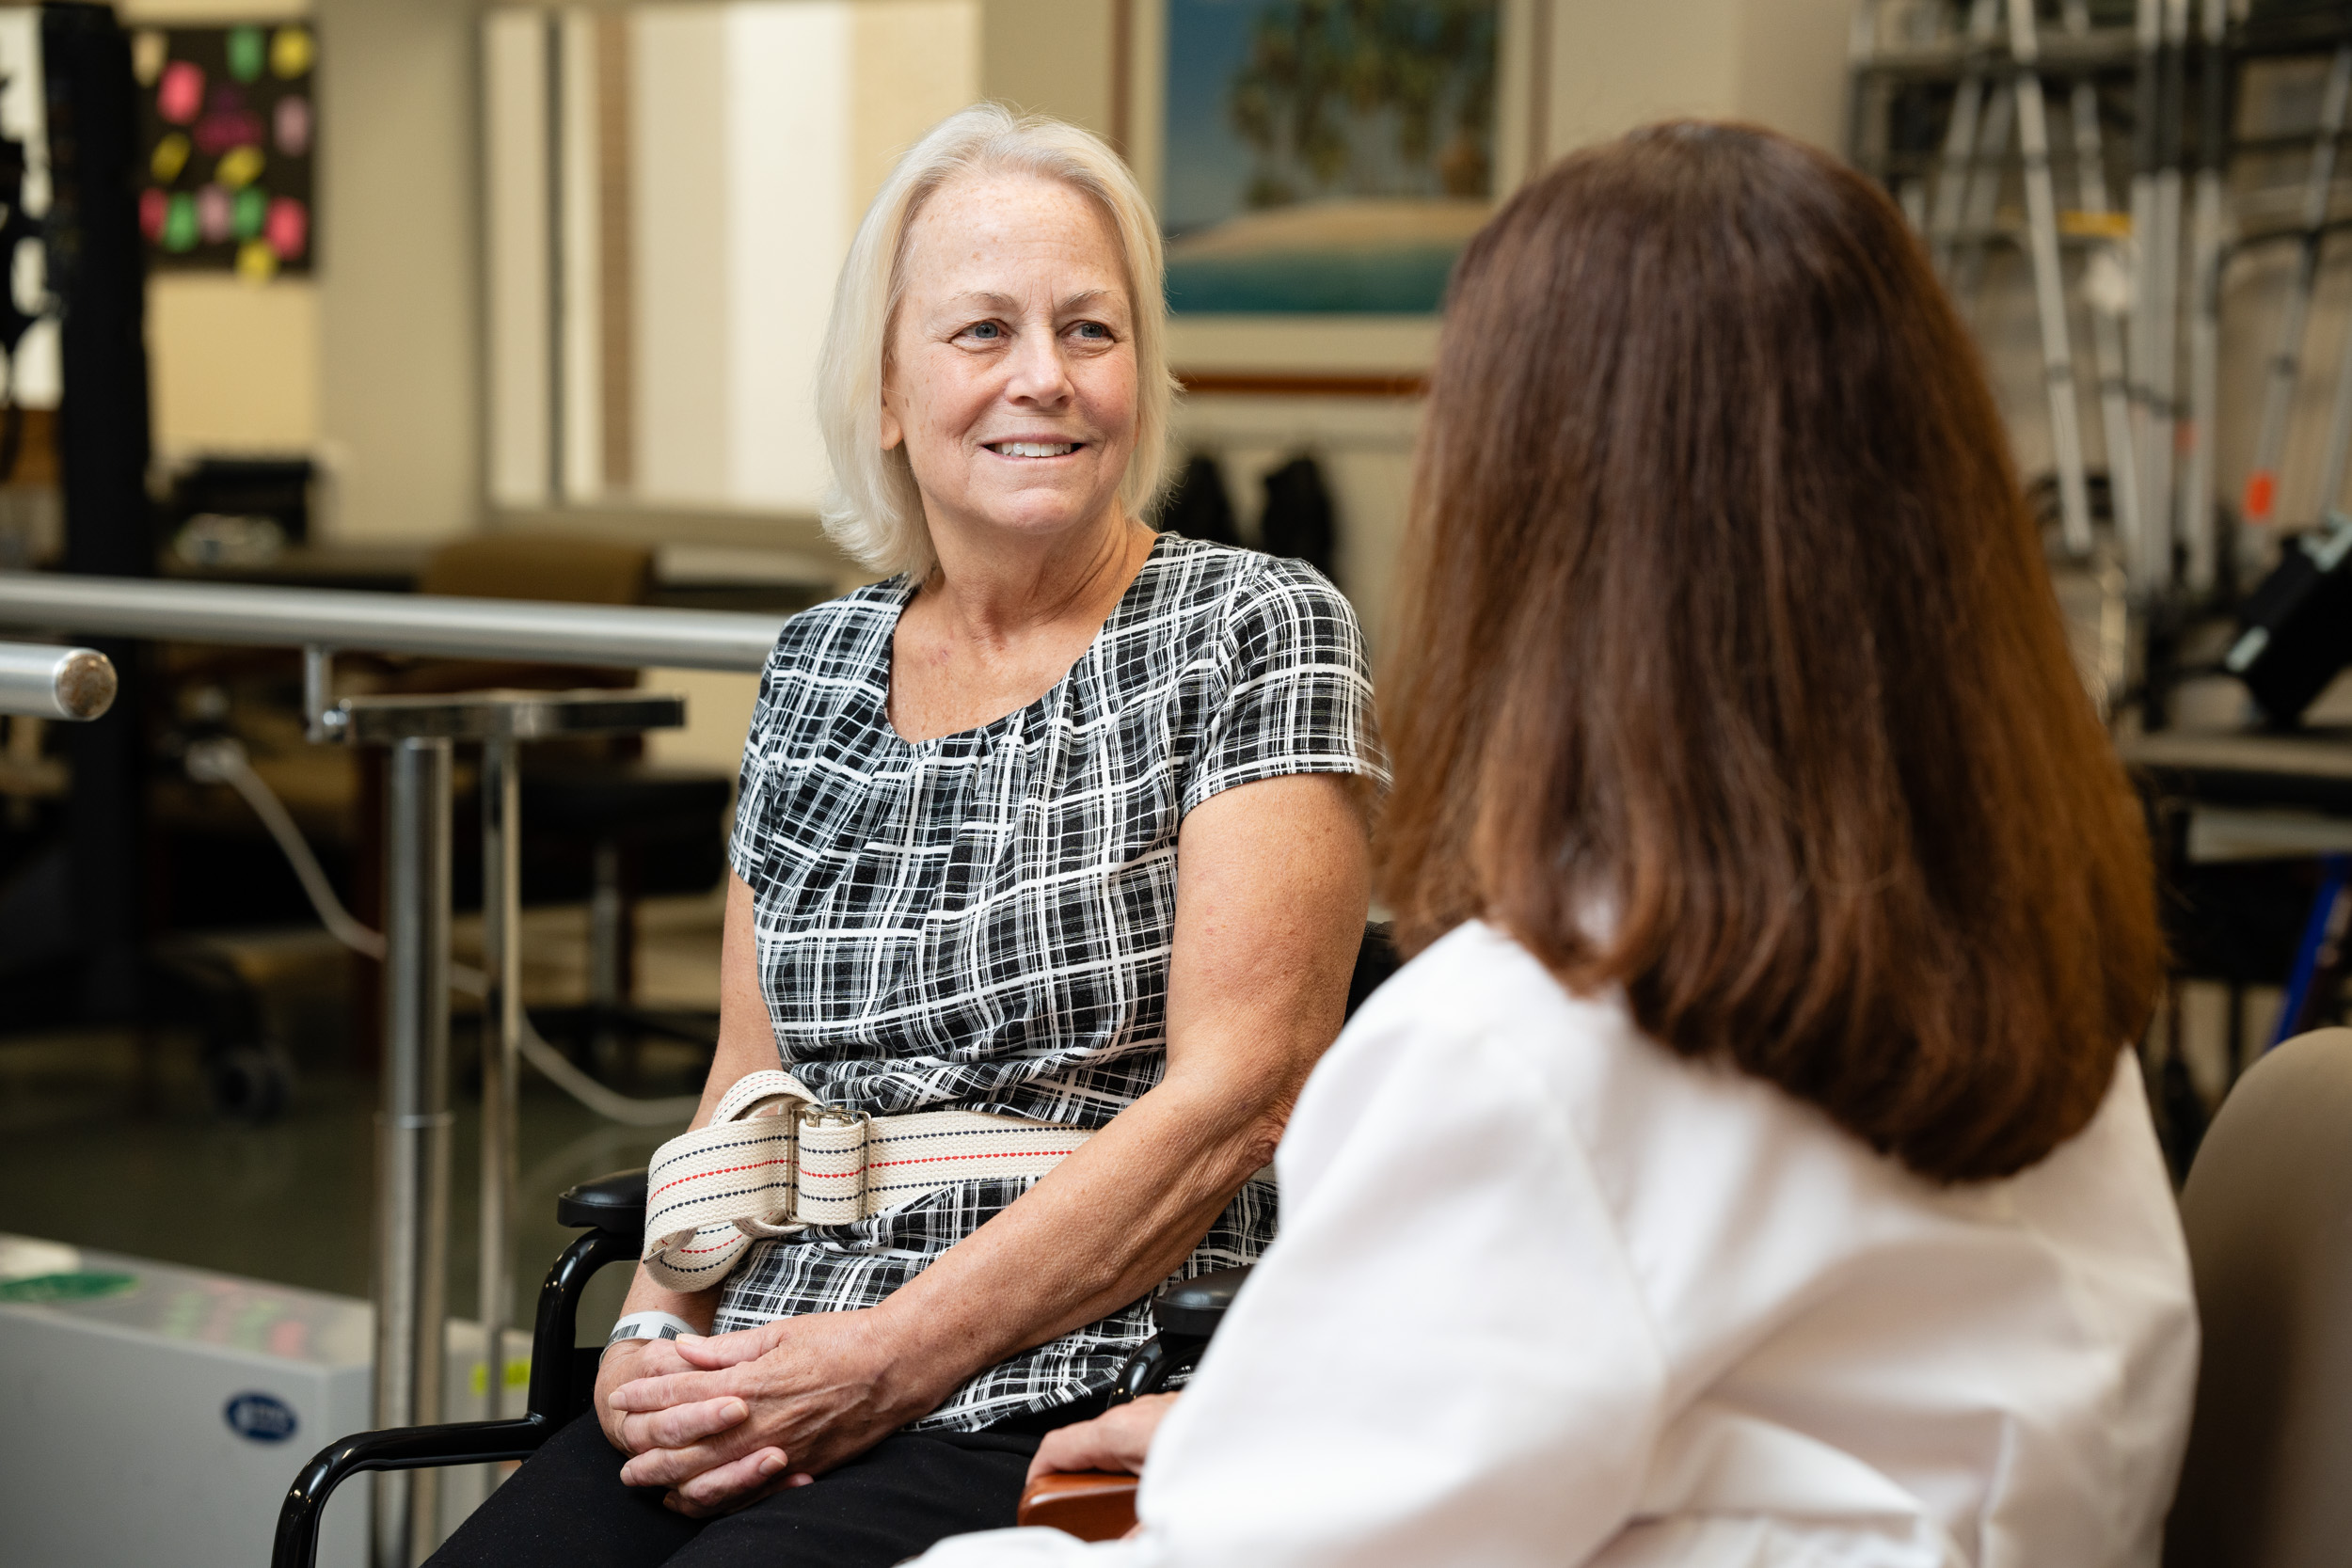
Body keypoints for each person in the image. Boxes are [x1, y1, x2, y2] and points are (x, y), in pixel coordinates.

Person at [913, 121, 2198, 1567]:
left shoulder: (1533, 1056)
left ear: (1525, 526)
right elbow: (1753, 1405)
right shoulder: (2031, 978)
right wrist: (1297, 1429)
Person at [427, 104, 1383, 1568]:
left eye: (1091, 331)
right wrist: (651, 1333)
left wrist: (885, 1361)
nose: (1044, 381)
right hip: (778, 1340)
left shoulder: (1252, 626)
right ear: (885, 389)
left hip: (1077, 1373)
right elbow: (748, 1079)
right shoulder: (813, 663)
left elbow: (1241, 1097)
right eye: (982, 332)